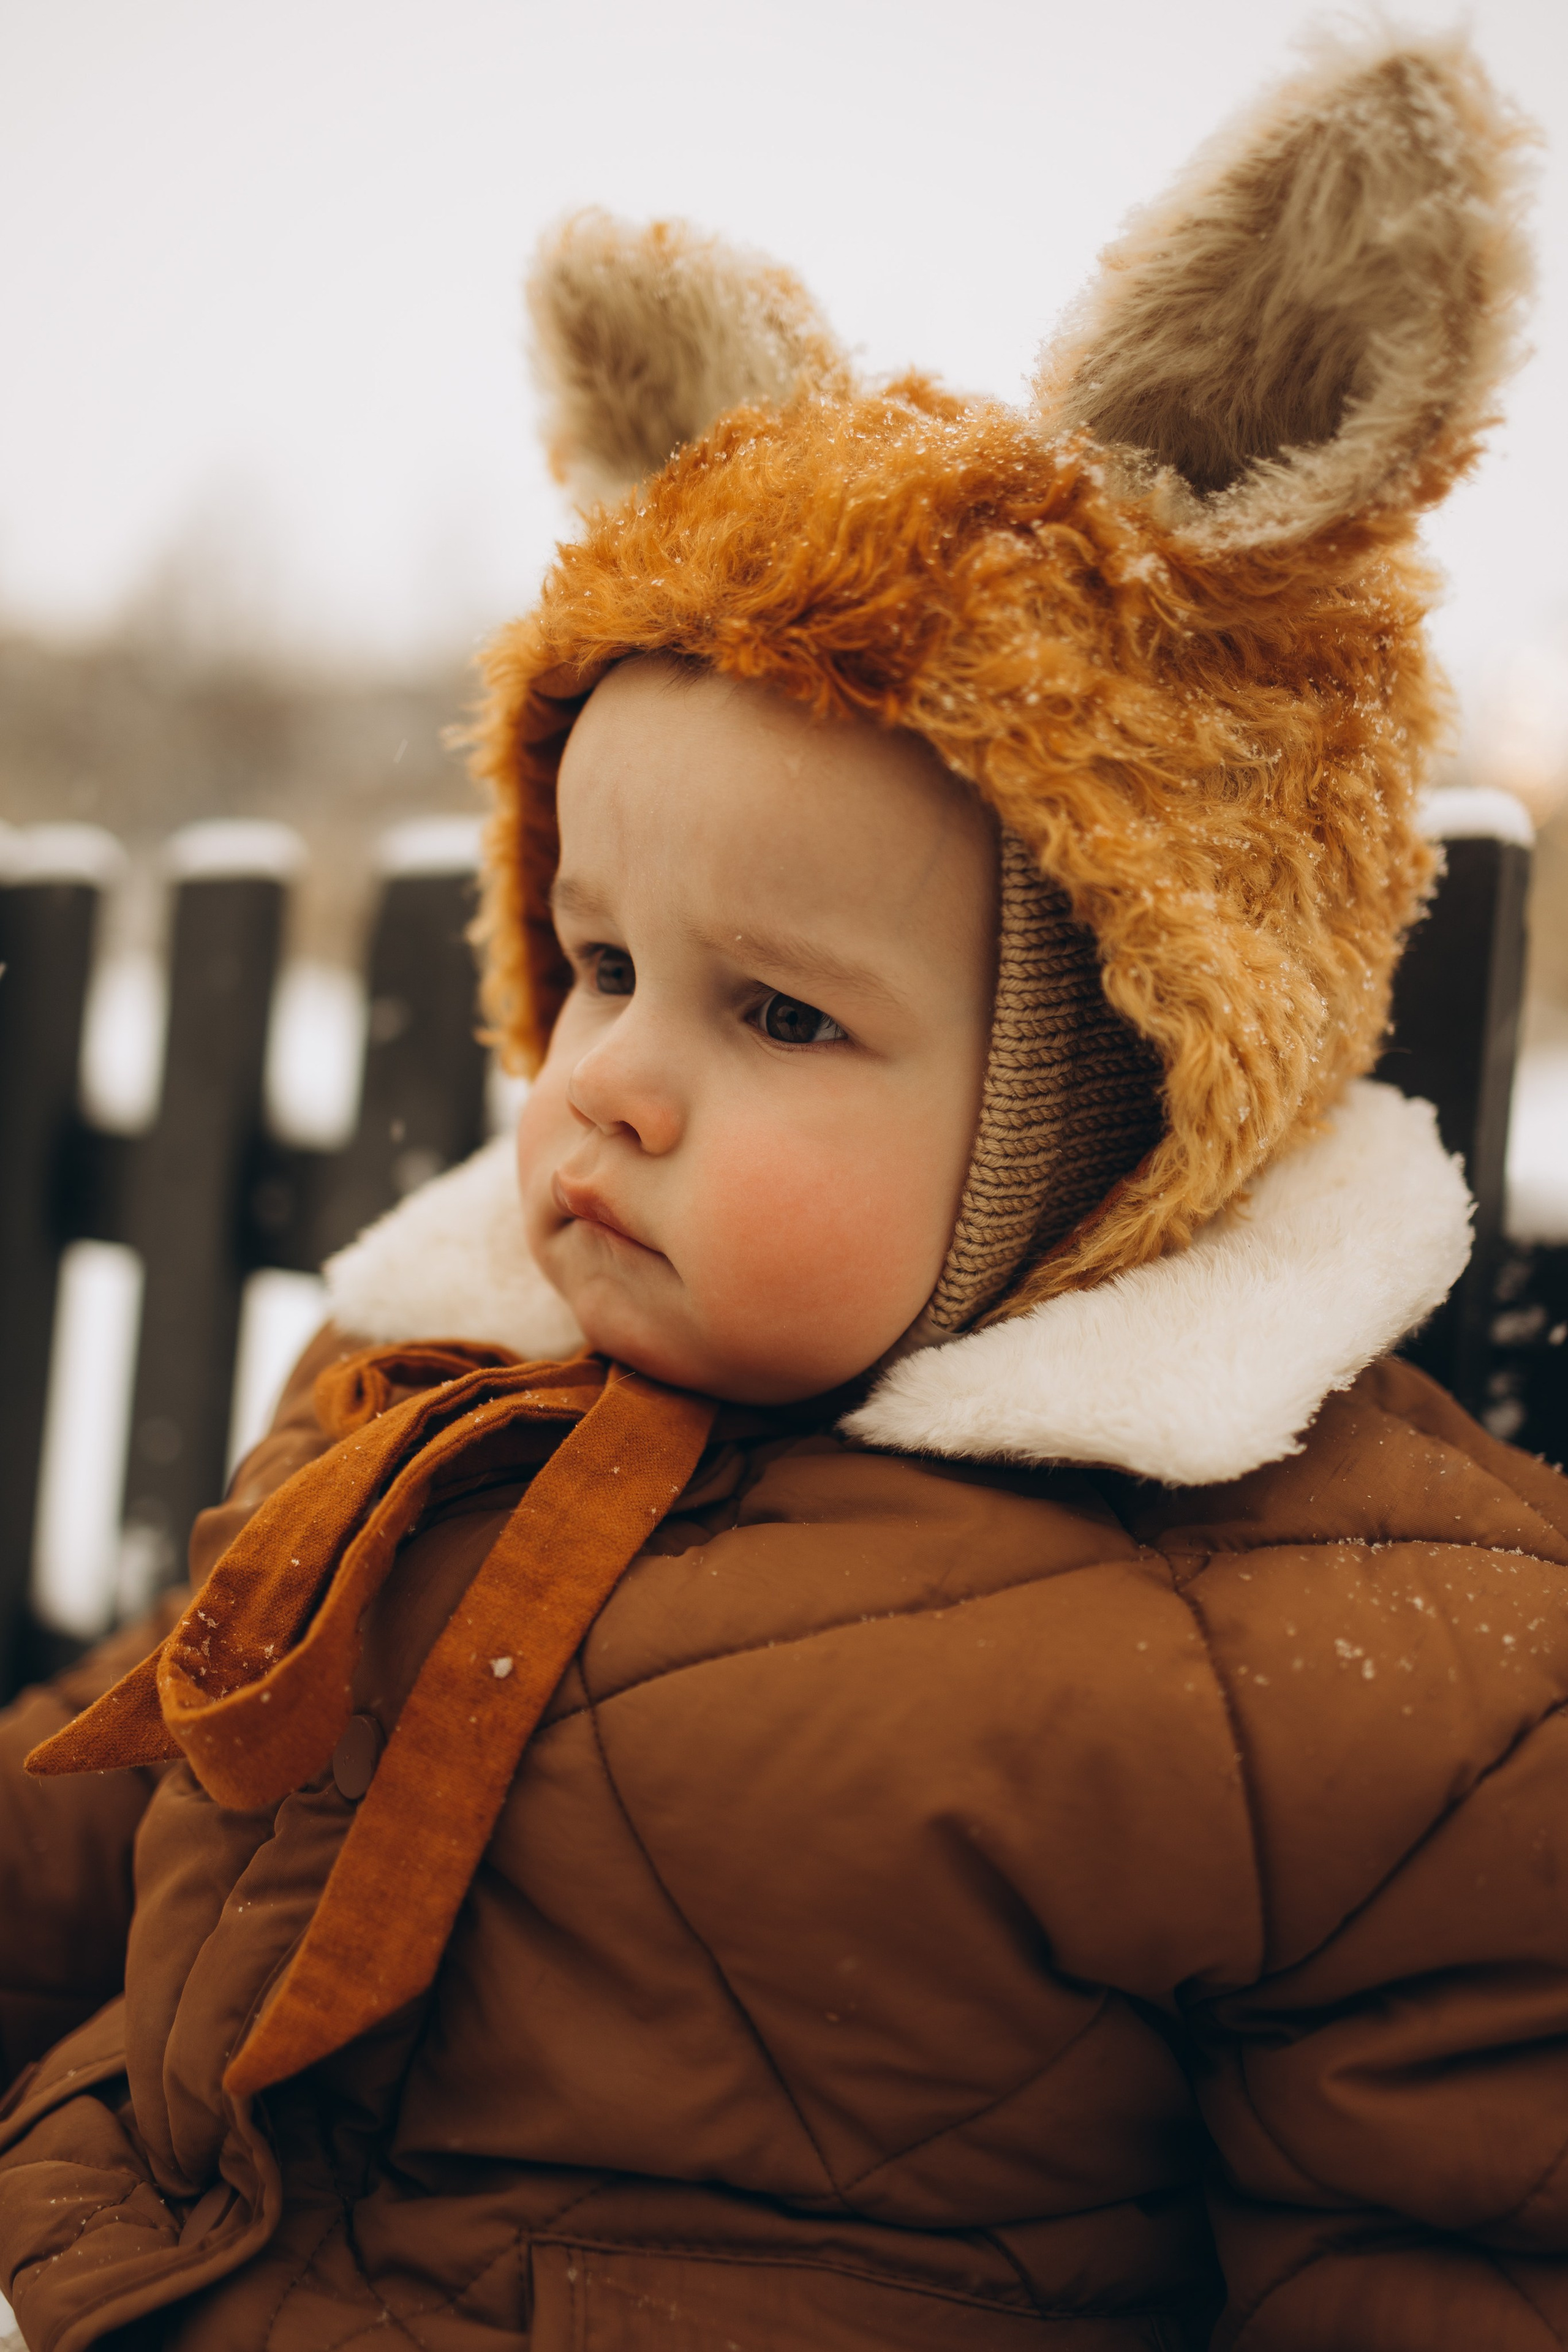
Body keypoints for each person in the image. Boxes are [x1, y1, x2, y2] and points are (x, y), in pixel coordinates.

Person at [1, 31, 1562, 2352]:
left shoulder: (1365, 1671)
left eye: (782, 1017)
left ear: (1101, 1121)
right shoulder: (417, 1403)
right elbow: (114, 1795)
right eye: (604, 965)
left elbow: (1442, 2256)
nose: (605, 1080)